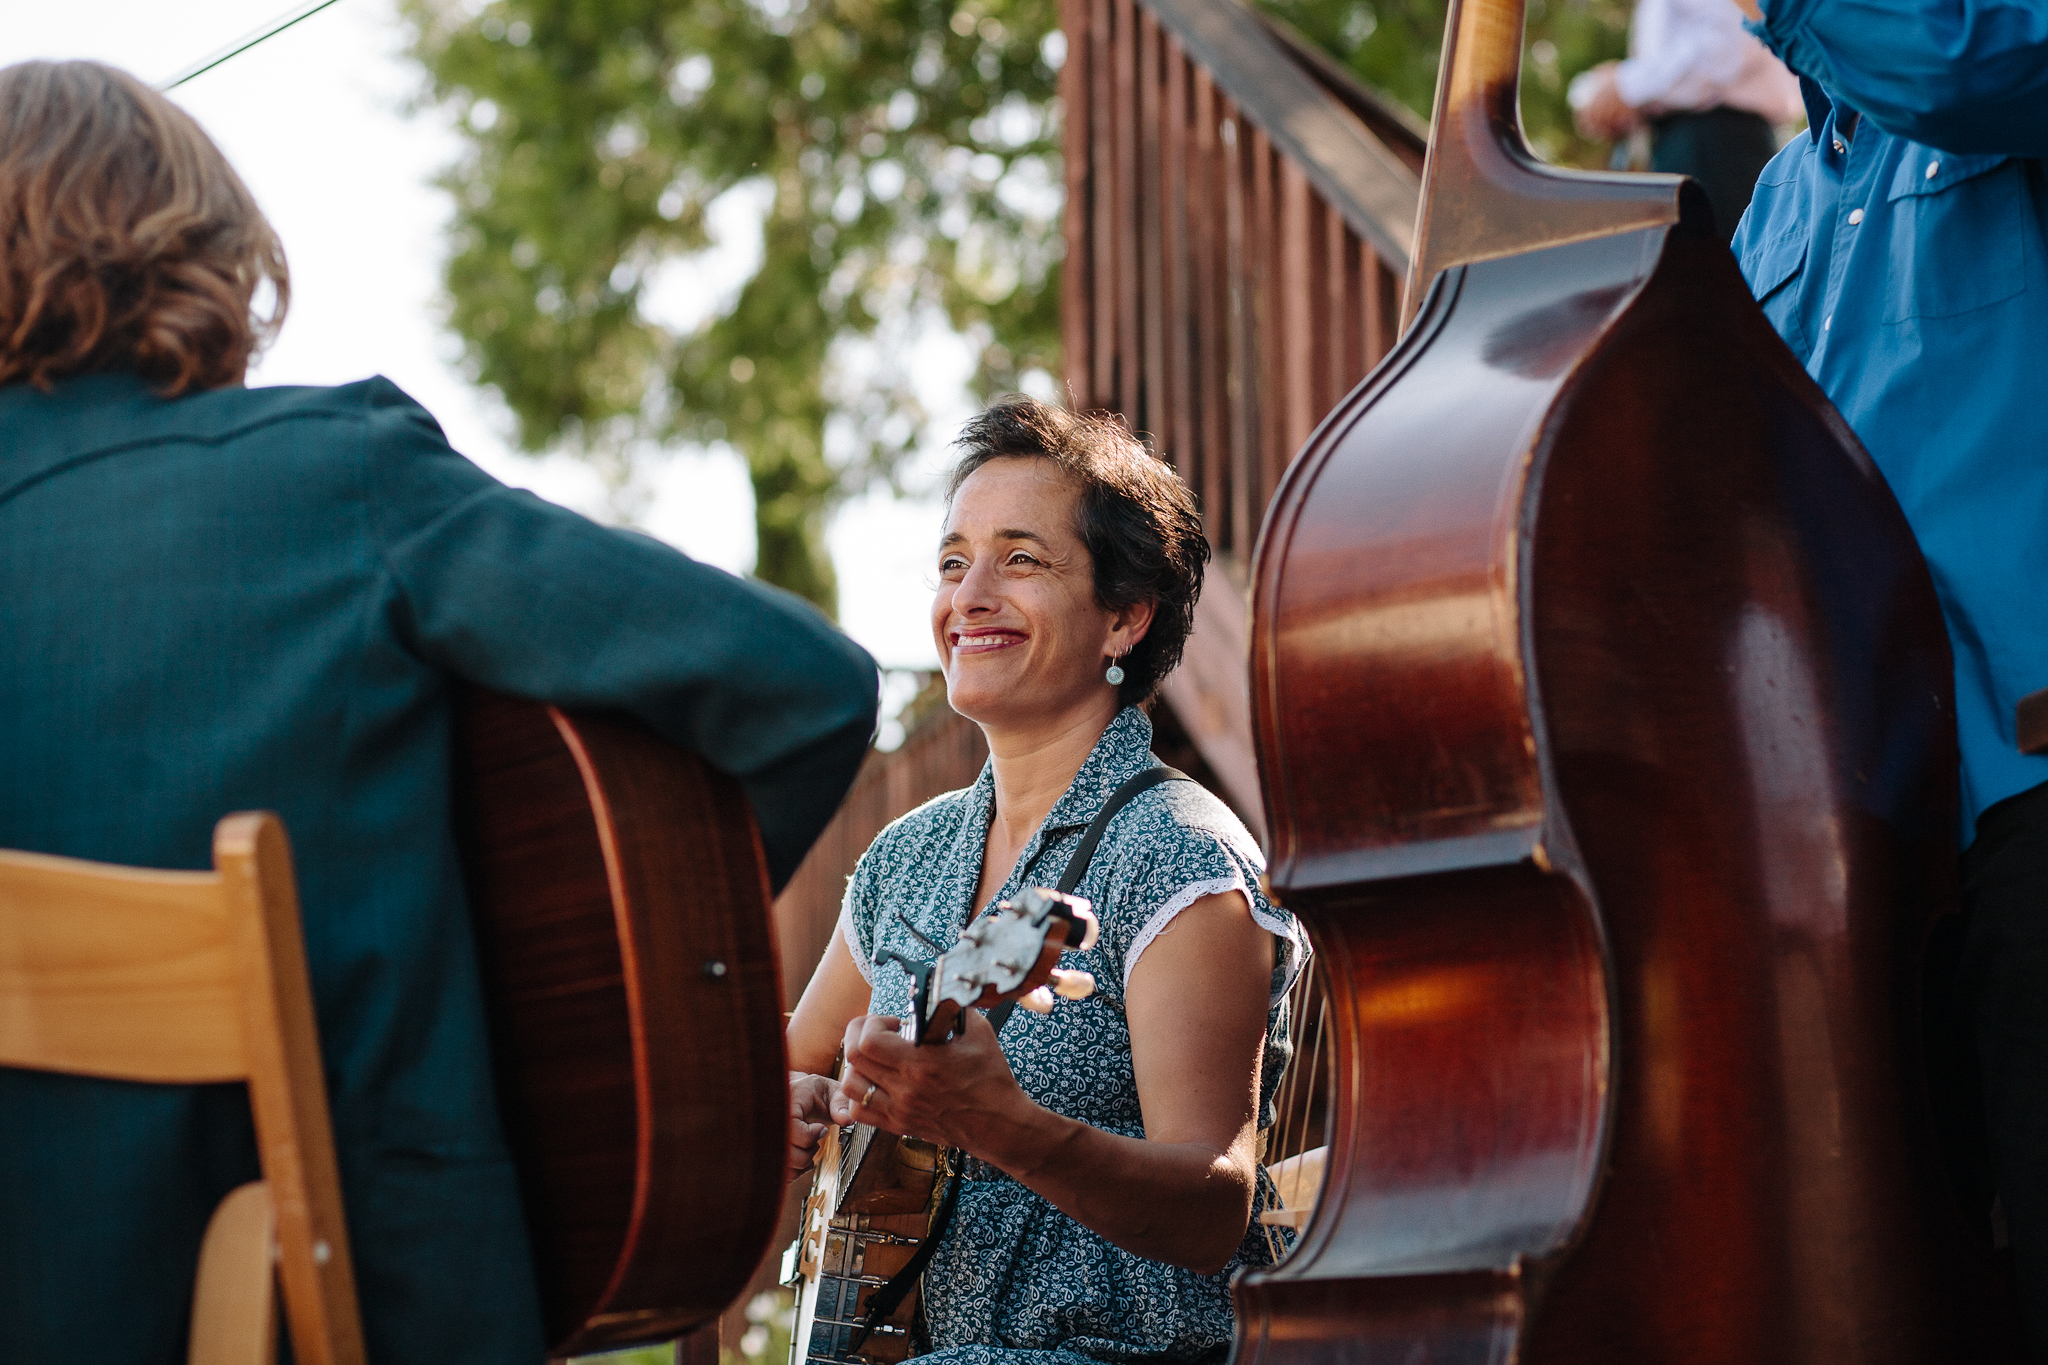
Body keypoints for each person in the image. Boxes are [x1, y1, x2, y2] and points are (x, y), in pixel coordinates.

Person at [0, 60, 879, 1365]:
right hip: (372, 1295)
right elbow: (800, 687)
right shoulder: (334, 476)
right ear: (198, 249)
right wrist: (586, 999)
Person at [783, 398, 1304, 1364]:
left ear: (1125, 615)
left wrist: (1006, 1128)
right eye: (952, 561)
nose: (969, 594)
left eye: (1020, 559)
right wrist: (787, 1110)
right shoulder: (905, 859)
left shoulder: (1179, 856)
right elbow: (797, 1062)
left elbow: (1217, 1203)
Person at [1725, 1, 2048, 1354]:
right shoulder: (1776, 203)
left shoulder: (2001, 60)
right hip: (1860, 833)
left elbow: (1967, 63)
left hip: (2032, 772)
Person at [1570, 0, 1803, 241]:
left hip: (1719, 147)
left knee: (1721, 270)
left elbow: (1724, 46)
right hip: (1688, 145)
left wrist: (1626, 86)